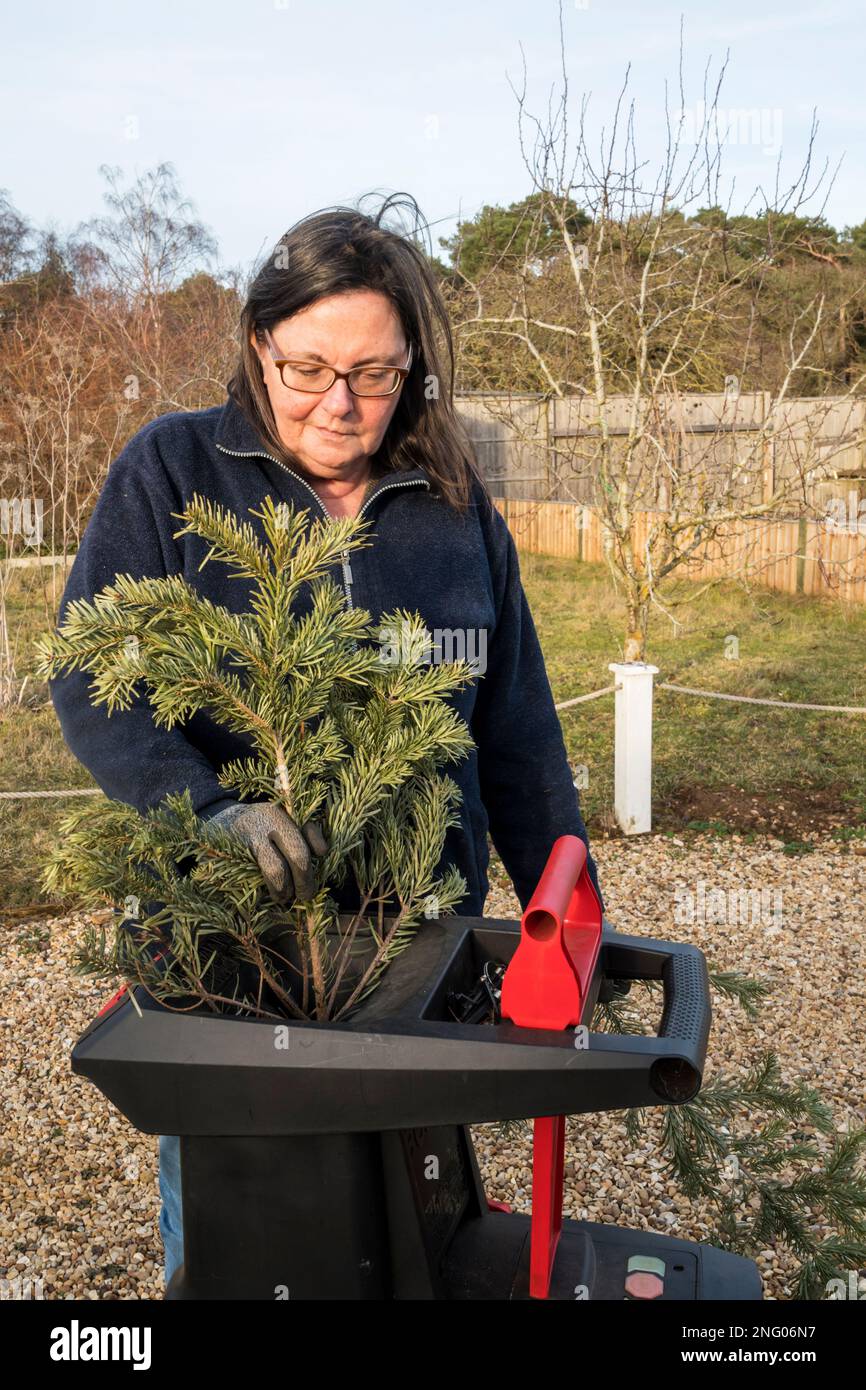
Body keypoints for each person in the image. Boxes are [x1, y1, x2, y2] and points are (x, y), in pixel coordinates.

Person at [49, 194, 601, 1291]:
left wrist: (570, 913)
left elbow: (520, 733)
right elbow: (88, 672)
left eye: (374, 373)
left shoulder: (452, 507)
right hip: (231, 947)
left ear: (411, 369)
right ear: (259, 344)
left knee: (409, 1207)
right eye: (306, 367)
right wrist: (205, 810)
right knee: (239, 1219)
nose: (338, 402)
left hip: (414, 934)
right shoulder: (171, 473)